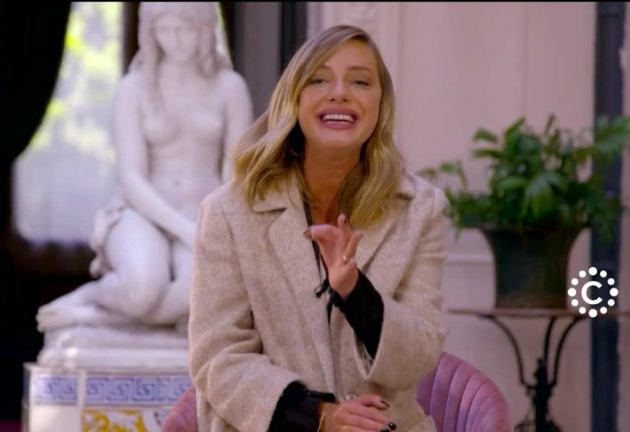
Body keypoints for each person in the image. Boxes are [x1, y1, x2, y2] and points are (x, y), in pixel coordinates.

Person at [189, 25, 447, 432]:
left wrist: (355, 292)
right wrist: (320, 416)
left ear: (380, 103)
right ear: (294, 98)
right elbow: (217, 357)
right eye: (319, 80)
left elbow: (420, 354)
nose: (339, 93)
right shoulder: (228, 212)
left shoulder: (421, 209)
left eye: (360, 81)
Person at [36, 2, 253, 333]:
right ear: (151, 33)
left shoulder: (229, 87)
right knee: (142, 290)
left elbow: (235, 171)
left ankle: (97, 315)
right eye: (164, 29)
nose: (175, 40)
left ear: (204, 29)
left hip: (205, 212)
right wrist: (184, 230)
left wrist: (219, 228)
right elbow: (132, 178)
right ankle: (97, 295)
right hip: (141, 212)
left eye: (185, 29)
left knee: (200, 294)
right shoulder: (134, 88)